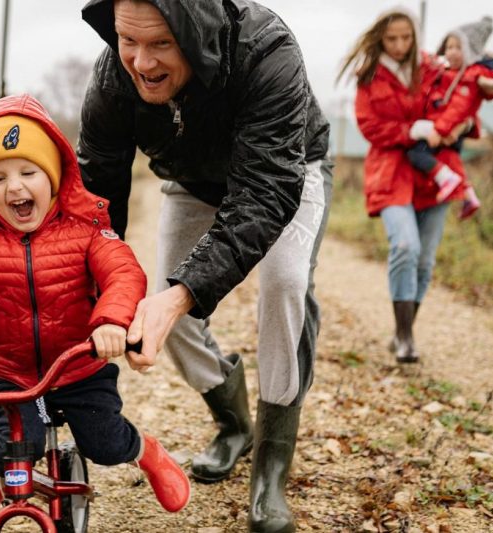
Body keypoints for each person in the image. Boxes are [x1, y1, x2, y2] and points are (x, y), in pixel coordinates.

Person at [0, 94, 190, 532]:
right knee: (14, 446)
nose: (15, 188)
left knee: (103, 441)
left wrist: (110, 322)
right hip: (12, 372)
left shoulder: (85, 229)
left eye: (29, 172)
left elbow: (123, 273)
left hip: (79, 365)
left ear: (55, 176)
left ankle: (148, 453)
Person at [78, 0, 331, 530]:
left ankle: (271, 469)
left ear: (195, 33)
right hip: (193, 181)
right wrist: (95, 293)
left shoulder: (268, 52)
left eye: (161, 44)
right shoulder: (112, 76)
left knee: (283, 283)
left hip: (285, 170)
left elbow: (265, 194)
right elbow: (97, 195)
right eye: (129, 40)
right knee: (165, 305)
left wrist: (183, 294)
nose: (141, 62)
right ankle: (234, 424)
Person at [338, 8, 463, 364]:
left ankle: (402, 333)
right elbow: (369, 126)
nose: (398, 45)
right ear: (380, 38)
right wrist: (410, 131)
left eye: (405, 38)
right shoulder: (370, 76)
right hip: (391, 171)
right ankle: (405, 336)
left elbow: (462, 97)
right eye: (391, 38)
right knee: (405, 246)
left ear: (414, 37)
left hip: (434, 172)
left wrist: (459, 124)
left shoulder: (432, 67)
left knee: (424, 260)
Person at [405, 16, 493, 220]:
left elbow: (458, 108)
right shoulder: (447, 74)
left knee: (417, 154)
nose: (451, 52)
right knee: (450, 159)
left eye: (458, 47)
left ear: (471, 52)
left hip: (443, 129)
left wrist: (439, 130)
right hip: (444, 128)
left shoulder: (467, 78)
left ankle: (446, 180)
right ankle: (468, 195)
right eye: (449, 47)